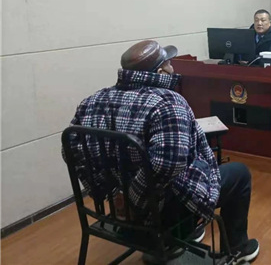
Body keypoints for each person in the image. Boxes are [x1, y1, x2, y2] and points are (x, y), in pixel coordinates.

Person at [63, 40, 260, 263]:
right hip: (158, 209)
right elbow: (168, 164)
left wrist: (113, 193)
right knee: (239, 173)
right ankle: (236, 248)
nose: (173, 68)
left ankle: (179, 234)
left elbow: (70, 150)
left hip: (118, 208)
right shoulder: (168, 103)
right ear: (160, 72)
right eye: (169, 63)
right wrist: (134, 200)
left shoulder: (93, 101)